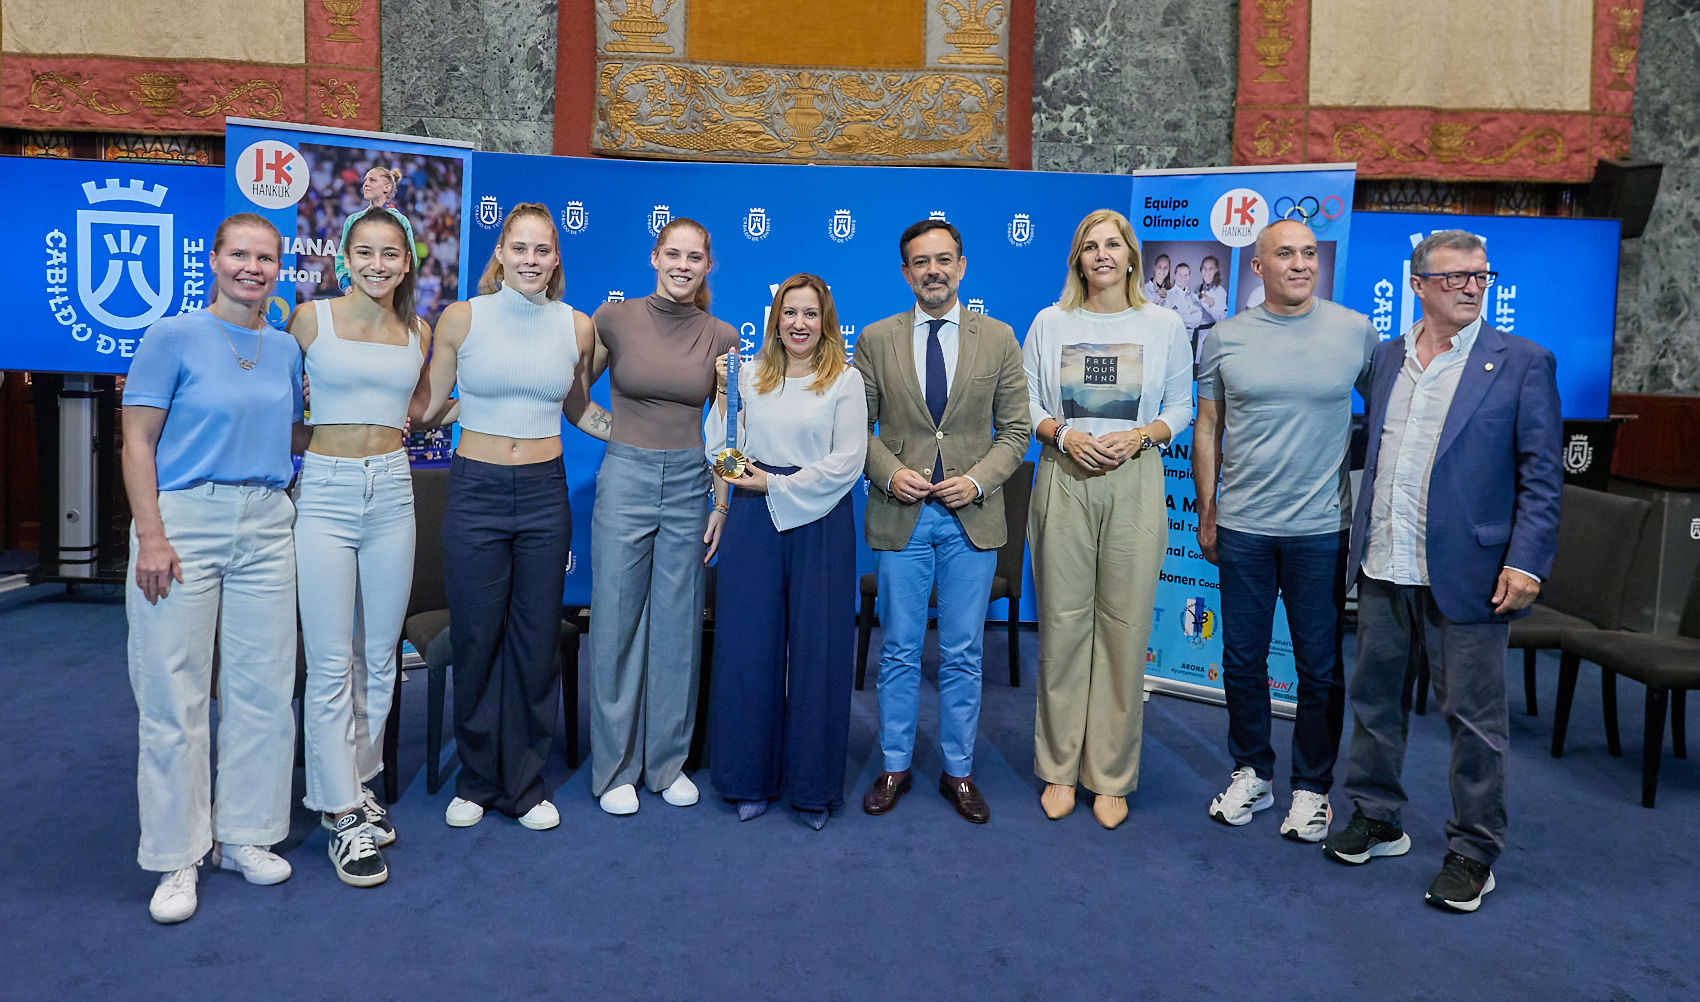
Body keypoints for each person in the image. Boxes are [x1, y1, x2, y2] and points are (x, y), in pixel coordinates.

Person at [1321, 229, 1561, 914]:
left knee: (1473, 719)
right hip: (1385, 561)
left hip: (1474, 571)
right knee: (1374, 700)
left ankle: (1473, 851)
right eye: (1453, 276)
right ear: (1419, 284)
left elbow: (1541, 476)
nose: (1469, 286)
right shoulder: (1389, 358)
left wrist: (1526, 561)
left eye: (1479, 276)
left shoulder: (1521, 362)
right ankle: (1376, 814)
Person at [121, 213, 305, 924]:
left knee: (262, 690)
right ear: (215, 258)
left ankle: (246, 834)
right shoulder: (172, 337)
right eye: (240, 254)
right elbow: (137, 442)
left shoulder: (285, 348)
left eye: (265, 258)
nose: (252, 268)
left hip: (267, 521)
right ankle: (177, 855)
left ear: (279, 267)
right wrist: (152, 535)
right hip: (184, 524)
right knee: (175, 695)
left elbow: (287, 434)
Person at [1192, 219, 1379, 844]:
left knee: (1319, 668)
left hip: (1321, 530)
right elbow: (1207, 430)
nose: (1300, 264)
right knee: (1241, 661)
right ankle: (1253, 771)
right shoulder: (1224, 337)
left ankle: (1312, 788)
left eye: (1308, 254)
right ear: (1258, 267)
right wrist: (1207, 511)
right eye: (1285, 254)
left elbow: (1386, 422)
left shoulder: (1356, 332)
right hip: (1243, 528)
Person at [420, 202, 600, 832]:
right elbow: (429, 407)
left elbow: (580, 409)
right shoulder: (462, 319)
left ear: (556, 258)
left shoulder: (575, 327)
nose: (530, 260)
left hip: (545, 494)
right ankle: (476, 778)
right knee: (476, 635)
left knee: (533, 641)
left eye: (542, 250)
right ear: (500, 252)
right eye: (519, 248)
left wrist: (649, 432)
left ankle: (524, 781)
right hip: (476, 490)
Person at [1021, 209, 1192, 829]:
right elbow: (1027, 404)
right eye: (1089, 245)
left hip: (1135, 479)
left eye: (1111, 244)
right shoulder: (1050, 322)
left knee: (1124, 626)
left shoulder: (1164, 323)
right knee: (1064, 625)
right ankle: (1060, 768)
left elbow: (1182, 406)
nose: (1101, 255)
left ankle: (1112, 776)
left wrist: (1144, 436)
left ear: (1130, 256)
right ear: (1076, 258)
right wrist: (1063, 434)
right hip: (1063, 476)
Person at [855, 219, 1029, 824]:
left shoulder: (1000, 338)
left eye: (944, 260)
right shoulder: (876, 339)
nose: (933, 270)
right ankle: (895, 765)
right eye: (920, 262)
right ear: (905, 273)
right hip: (901, 516)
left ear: (962, 266)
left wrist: (978, 479)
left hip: (970, 520)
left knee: (962, 652)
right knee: (900, 650)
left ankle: (959, 773)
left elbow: (1016, 431)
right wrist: (887, 471)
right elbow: (858, 429)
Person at [289, 207, 433, 886]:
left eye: (391, 254)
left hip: (393, 491)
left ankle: (357, 781)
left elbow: (428, 408)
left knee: (382, 657)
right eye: (366, 253)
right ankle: (341, 811)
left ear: (408, 261)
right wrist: (322, 454)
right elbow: (279, 408)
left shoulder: (418, 331)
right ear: (344, 256)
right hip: (324, 489)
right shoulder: (309, 319)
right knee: (329, 661)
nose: (379, 265)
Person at [585, 218, 738, 816]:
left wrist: (721, 500)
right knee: (618, 621)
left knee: (676, 628)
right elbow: (575, 393)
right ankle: (615, 768)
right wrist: (615, 434)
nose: (682, 265)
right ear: (654, 256)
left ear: (708, 266)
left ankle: (666, 762)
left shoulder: (722, 334)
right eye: (672, 253)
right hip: (624, 476)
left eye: (694, 256)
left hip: (690, 482)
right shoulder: (614, 319)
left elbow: (727, 428)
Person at [705, 274, 867, 829]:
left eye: (811, 314)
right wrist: (742, 479)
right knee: (749, 648)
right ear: (775, 319)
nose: (799, 323)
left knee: (819, 653)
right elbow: (718, 449)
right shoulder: (747, 375)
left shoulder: (846, 381)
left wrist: (771, 484)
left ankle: (813, 788)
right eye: (789, 313)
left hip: (819, 519)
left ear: (826, 322)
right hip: (752, 519)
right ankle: (748, 777)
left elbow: (847, 461)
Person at [334, 166, 417, 294]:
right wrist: (346, 285)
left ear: (387, 188)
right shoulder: (352, 220)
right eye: (365, 180)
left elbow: (410, 262)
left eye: (372, 180)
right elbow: (342, 257)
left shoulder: (400, 221)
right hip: (358, 293)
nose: (366, 184)